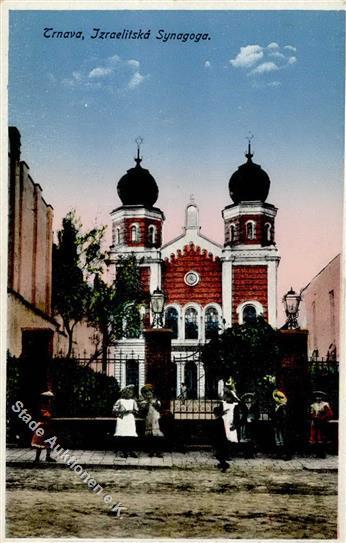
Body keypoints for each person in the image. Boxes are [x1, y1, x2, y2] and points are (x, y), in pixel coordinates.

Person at [113, 385, 138, 458]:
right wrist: (122, 411)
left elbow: (136, 410)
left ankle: (130, 451)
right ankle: (123, 451)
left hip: (130, 418)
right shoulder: (120, 401)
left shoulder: (133, 401)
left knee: (131, 435)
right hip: (122, 419)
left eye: (130, 392)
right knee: (123, 435)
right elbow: (114, 409)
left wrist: (132, 411)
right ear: (124, 393)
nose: (129, 394)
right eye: (127, 392)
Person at [138, 384, 164, 457]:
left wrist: (154, 403)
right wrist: (148, 403)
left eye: (150, 393)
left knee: (157, 436)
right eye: (146, 393)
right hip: (148, 419)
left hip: (156, 420)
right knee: (150, 436)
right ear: (144, 395)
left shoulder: (156, 401)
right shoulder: (143, 402)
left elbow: (159, 408)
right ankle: (151, 450)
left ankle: (158, 451)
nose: (148, 394)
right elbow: (143, 411)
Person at [31, 390, 56, 463]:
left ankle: (47, 456)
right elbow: (44, 414)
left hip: (47, 425)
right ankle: (37, 458)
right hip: (42, 425)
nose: (50, 399)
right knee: (39, 442)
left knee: (49, 441)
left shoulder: (50, 405)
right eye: (49, 398)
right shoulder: (42, 406)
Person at [309, 390, 333, 458]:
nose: (318, 398)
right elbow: (311, 413)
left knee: (322, 438)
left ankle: (322, 453)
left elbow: (329, 414)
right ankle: (317, 453)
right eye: (317, 397)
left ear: (322, 398)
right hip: (315, 423)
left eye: (319, 397)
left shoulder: (325, 404)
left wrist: (322, 418)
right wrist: (314, 417)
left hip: (322, 423)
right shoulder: (313, 405)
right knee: (315, 438)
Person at [237, 392, 259, 458]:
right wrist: (245, 419)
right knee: (245, 439)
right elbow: (241, 415)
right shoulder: (242, 406)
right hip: (245, 424)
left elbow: (258, 415)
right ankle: (246, 454)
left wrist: (253, 418)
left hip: (252, 424)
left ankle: (251, 454)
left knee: (252, 439)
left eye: (250, 399)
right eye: (247, 399)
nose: (248, 400)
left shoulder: (255, 406)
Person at [272, 389, 291, 460]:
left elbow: (285, 417)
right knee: (277, 440)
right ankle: (279, 454)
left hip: (283, 425)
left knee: (284, 440)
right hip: (276, 425)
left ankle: (287, 455)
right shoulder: (274, 407)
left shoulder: (284, 407)